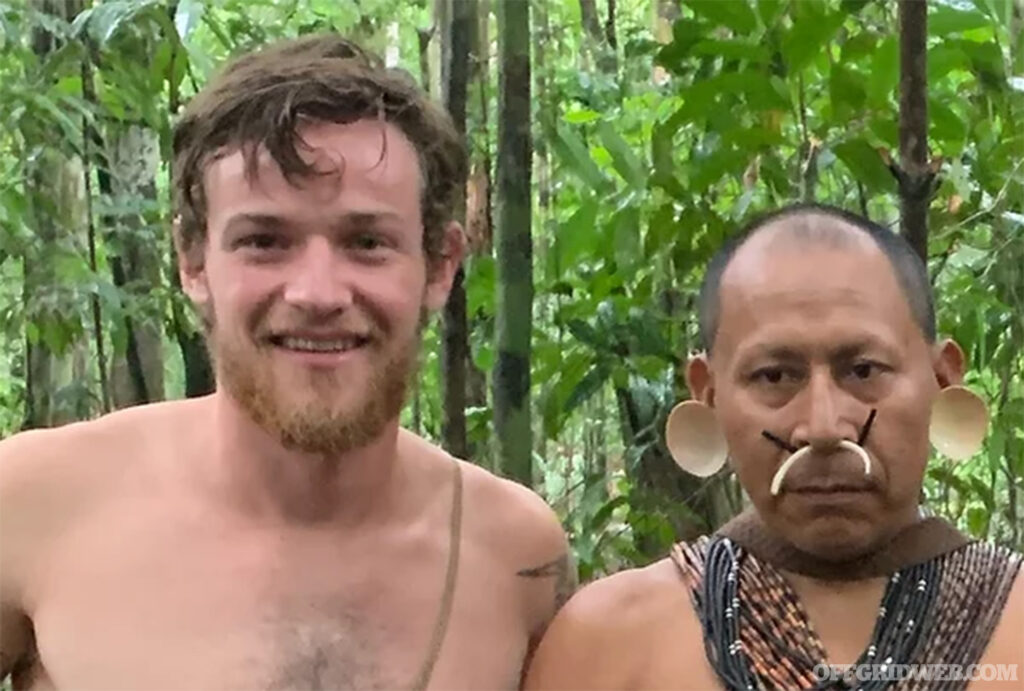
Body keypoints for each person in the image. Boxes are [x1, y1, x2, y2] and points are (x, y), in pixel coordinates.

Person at [0, 35, 573, 690]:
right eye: (264, 241)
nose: (318, 294)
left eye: (367, 242)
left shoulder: (513, 556)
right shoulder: (35, 507)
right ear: (193, 261)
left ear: (440, 264)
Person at [525, 204, 1024, 690]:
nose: (825, 427)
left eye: (864, 370)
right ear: (709, 393)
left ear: (942, 378)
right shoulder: (608, 644)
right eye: (775, 376)